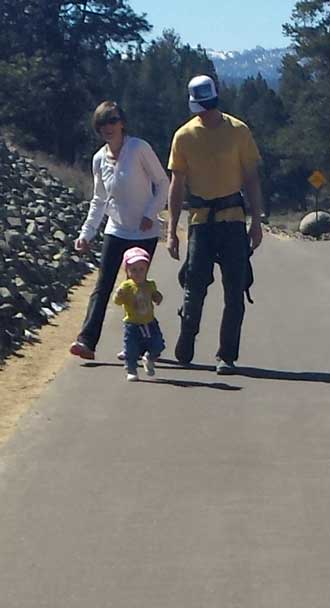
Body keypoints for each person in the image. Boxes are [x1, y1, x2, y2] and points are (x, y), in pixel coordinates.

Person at [167, 74, 263, 374]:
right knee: (194, 288)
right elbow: (177, 185)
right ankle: (187, 339)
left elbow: (251, 179)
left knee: (235, 291)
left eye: (208, 106)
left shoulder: (239, 131)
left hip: (232, 220)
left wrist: (256, 221)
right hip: (200, 223)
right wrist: (171, 231)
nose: (205, 112)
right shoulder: (183, 136)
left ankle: (226, 355)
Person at [70, 100, 169, 360]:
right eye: (102, 123)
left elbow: (162, 182)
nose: (108, 127)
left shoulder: (139, 149)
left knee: (137, 289)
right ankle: (87, 341)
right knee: (103, 286)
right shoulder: (99, 159)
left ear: (122, 123)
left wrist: (150, 214)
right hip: (116, 230)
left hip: (143, 232)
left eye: (113, 120)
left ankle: (145, 342)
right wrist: (86, 233)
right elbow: (99, 199)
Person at [113, 247, 165, 381]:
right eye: (134, 270)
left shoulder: (150, 284)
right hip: (132, 324)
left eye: (141, 269)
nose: (138, 273)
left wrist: (158, 297)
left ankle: (149, 358)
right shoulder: (126, 287)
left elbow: (155, 297)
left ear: (146, 269)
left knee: (158, 344)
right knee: (131, 349)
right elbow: (118, 302)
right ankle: (131, 369)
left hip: (150, 322)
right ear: (128, 271)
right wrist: (118, 295)